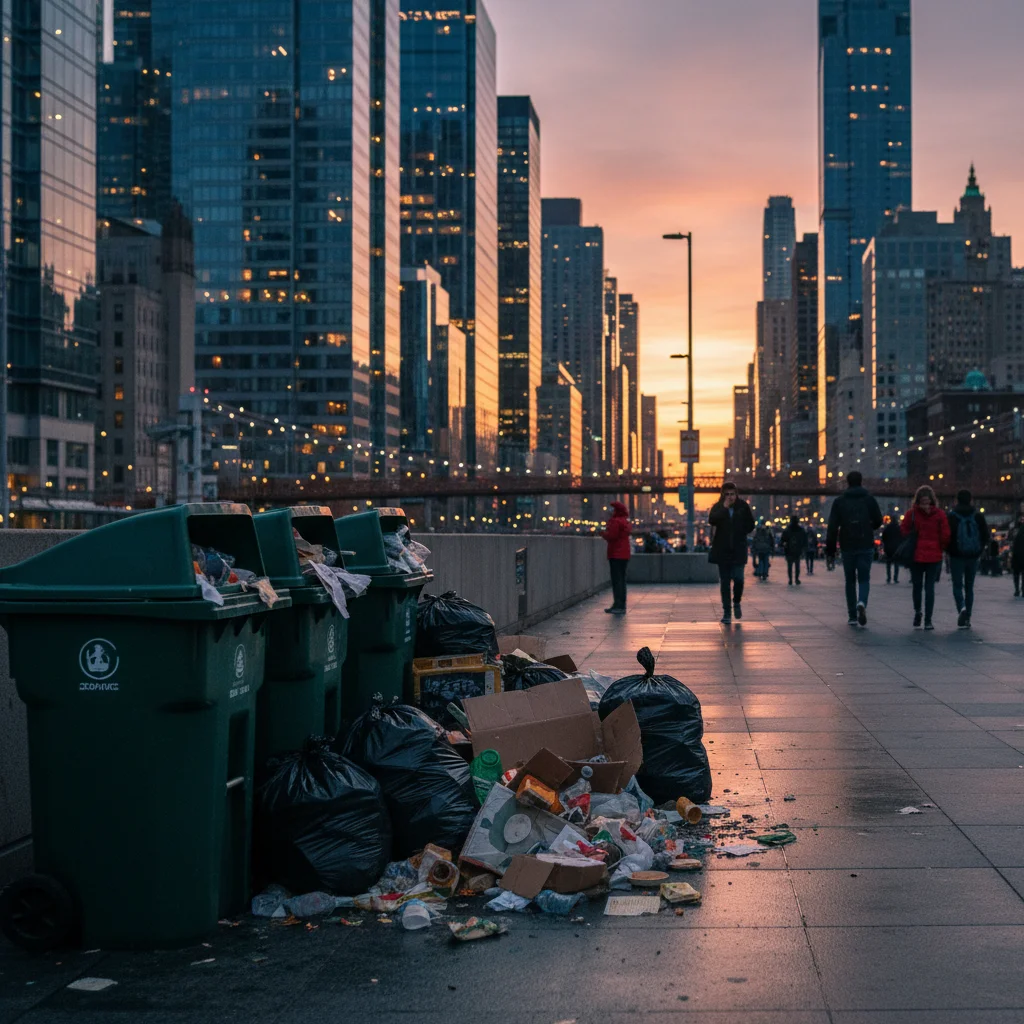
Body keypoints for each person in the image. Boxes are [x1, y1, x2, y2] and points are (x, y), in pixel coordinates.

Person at [826, 471, 883, 627]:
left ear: (847, 482)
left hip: (847, 545)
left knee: (850, 580)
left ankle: (852, 615)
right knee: (864, 578)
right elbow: (878, 520)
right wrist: (869, 526)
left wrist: (830, 551)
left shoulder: (839, 501)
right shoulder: (869, 499)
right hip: (865, 543)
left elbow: (832, 527)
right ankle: (862, 602)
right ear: (861, 481)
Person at [900, 484, 950, 630]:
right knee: (930, 588)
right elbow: (946, 535)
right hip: (934, 557)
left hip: (916, 556)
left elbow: (903, 531)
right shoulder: (940, 514)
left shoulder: (912, 514)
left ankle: (918, 612)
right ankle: (928, 620)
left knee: (916, 586)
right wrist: (940, 547)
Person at [708, 481, 755, 624]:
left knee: (739, 579)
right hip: (723, 551)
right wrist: (724, 508)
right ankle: (727, 612)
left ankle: (737, 602)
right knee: (725, 583)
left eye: (732, 494)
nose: (730, 497)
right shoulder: (718, 507)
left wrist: (741, 530)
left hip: (739, 550)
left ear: (736, 494)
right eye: (727, 494)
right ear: (723, 495)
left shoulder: (743, 507)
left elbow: (751, 525)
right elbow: (712, 520)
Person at [946, 489, 989, 629]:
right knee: (969, 587)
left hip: (957, 556)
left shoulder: (952, 516)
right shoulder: (978, 516)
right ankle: (968, 617)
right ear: (971, 500)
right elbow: (985, 536)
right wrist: (978, 551)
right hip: (972, 556)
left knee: (957, 585)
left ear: (957, 500)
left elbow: (947, 537)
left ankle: (962, 608)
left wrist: (950, 551)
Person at [601, 501, 632, 615]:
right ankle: (620, 604)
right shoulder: (625, 522)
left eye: (613, 509)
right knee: (622, 580)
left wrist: (603, 533)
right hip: (624, 554)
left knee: (616, 581)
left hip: (615, 554)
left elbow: (611, 536)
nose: (611, 512)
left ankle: (617, 605)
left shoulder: (615, 521)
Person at [781, 516, 808, 586]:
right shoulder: (801, 530)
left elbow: (782, 540)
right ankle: (796, 579)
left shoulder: (787, 530)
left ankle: (790, 580)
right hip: (798, 551)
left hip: (789, 550)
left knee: (790, 566)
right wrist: (803, 548)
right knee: (797, 566)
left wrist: (783, 545)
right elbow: (805, 540)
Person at [881, 515, 903, 584]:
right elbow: (902, 537)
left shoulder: (887, 528)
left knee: (888, 564)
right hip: (896, 548)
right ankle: (895, 578)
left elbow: (883, 537)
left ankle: (888, 578)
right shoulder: (898, 528)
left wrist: (885, 544)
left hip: (888, 548)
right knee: (896, 564)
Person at [1009, 502, 1024, 596]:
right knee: (1017, 573)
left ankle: (1019, 589)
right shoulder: (1015, 527)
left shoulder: (1016, 528)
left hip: (1018, 553)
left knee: (1019, 573)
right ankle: (1018, 589)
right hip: (1017, 553)